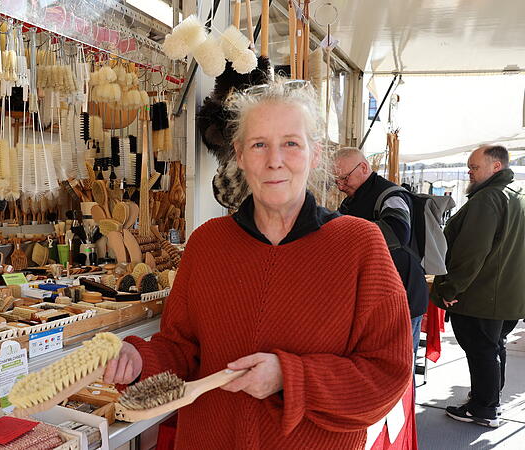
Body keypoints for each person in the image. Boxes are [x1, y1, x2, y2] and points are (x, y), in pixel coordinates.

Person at [103, 79, 412, 449]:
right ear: (240, 155)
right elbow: (182, 350)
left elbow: (386, 375)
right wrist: (140, 359)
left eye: (291, 144)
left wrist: (289, 377)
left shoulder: (359, 245)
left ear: (315, 154)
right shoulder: (208, 243)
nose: (274, 160)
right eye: (259, 144)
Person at [432, 145, 525, 428]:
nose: (469, 172)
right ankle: (488, 397)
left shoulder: (488, 198)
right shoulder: (516, 196)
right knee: (494, 346)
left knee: (482, 349)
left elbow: (472, 252)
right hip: (508, 295)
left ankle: (484, 408)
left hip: (483, 294)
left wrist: (450, 289)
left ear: (496, 167)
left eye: (474, 167)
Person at [333, 147, 429, 361]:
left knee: (399, 364)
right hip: (373, 296)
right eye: (336, 181)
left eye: (344, 178)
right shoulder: (353, 199)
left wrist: (343, 229)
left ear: (364, 168)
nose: (340, 186)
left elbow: (397, 232)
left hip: (403, 294)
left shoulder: (391, 195)